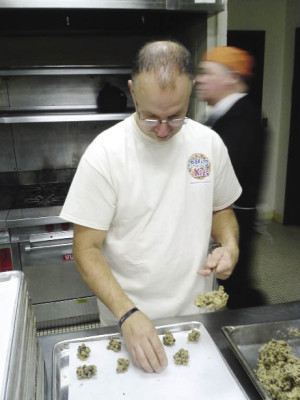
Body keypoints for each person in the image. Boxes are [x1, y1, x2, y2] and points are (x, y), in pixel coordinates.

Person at [60, 40, 242, 374]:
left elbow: (221, 209)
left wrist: (229, 245)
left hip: (197, 320)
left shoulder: (208, 145)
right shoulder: (105, 155)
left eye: (175, 117)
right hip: (128, 323)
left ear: (191, 94)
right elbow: (86, 248)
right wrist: (127, 314)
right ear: (132, 91)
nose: (161, 129)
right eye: (150, 117)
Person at [194, 46, 267, 308]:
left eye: (206, 73)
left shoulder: (242, 118)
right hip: (224, 214)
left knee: (233, 286)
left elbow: (216, 173)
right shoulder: (221, 114)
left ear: (231, 78)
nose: (198, 80)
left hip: (233, 217)